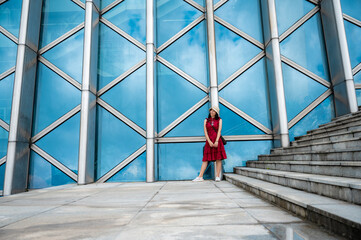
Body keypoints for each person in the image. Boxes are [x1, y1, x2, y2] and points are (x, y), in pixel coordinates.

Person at [193, 106, 227, 182]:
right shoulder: (206, 120)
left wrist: (217, 141)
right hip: (209, 141)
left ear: (216, 112)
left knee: (218, 159)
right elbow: (205, 132)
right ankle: (200, 176)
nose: (212, 112)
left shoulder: (219, 120)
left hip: (217, 141)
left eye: (213, 111)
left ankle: (217, 176)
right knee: (205, 159)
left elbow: (219, 131)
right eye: (211, 111)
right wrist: (209, 141)